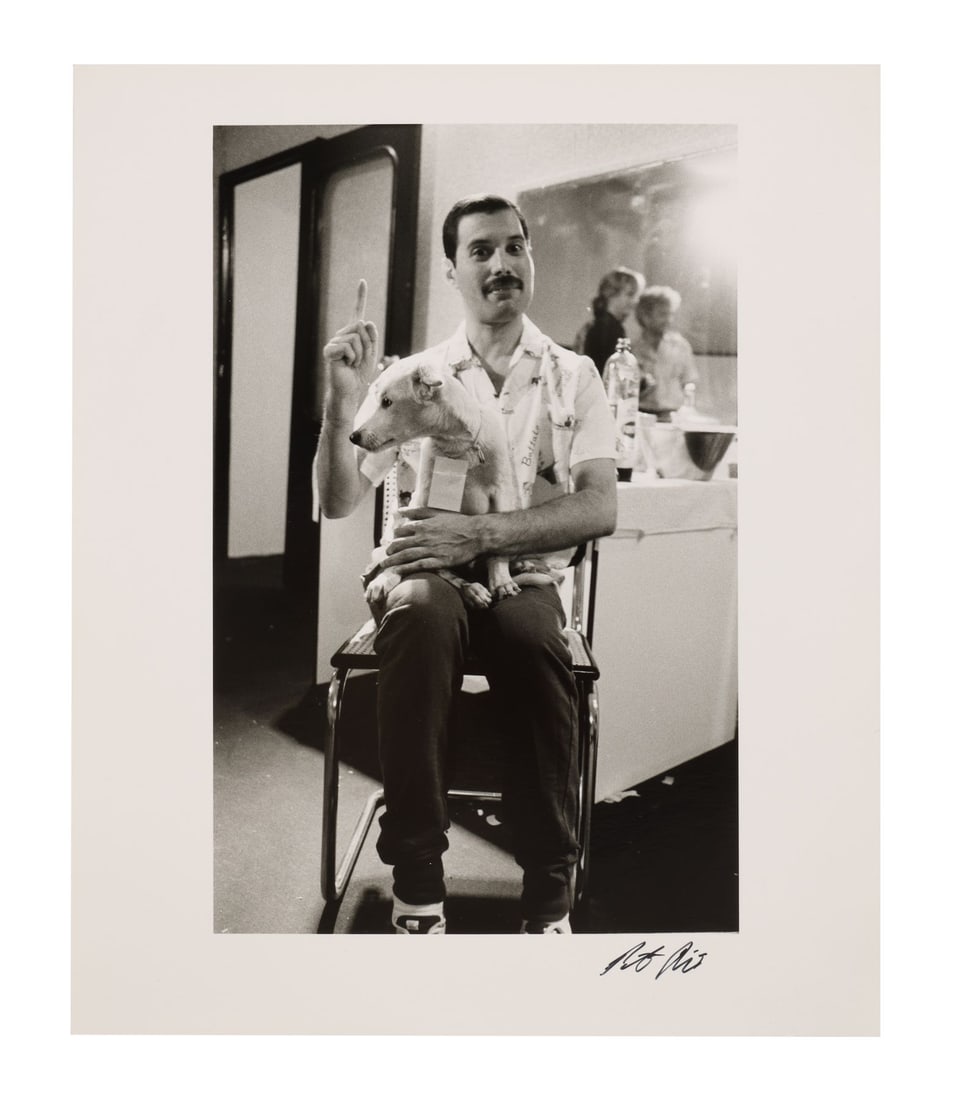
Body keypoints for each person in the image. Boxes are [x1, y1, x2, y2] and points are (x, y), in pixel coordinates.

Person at [315, 194, 617, 935]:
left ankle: (549, 893)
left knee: (529, 634)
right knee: (418, 610)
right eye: (480, 250)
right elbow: (339, 498)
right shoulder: (415, 376)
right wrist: (342, 402)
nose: (502, 264)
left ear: (530, 258)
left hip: (526, 580)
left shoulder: (573, 376)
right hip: (430, 578)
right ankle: (417, 881)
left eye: (515, 246)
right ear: (452, 270)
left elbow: (599, 508)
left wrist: (481, 538)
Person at [632, 285, 699, 421]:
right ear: (645, 316)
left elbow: (689, 381)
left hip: (673, 416)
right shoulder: (633, 349)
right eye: (663, 314)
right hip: (642, 416)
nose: (669, 320)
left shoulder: (681, 346)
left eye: (671, 314)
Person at [574, 267, 644, 375]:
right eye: (630, 294)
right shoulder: (611, 328)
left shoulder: (595, 324)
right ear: (611, 294)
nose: (635, 301)